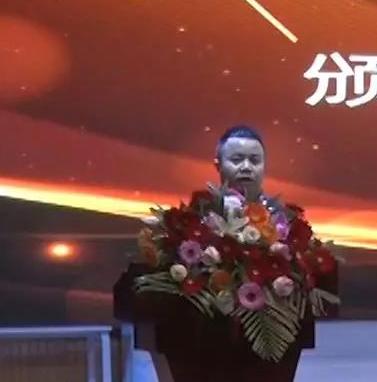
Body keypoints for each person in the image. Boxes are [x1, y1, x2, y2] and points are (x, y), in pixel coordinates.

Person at [114, 125, 337, 382]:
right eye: (237, 159)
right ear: (218, 165)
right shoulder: (191, 220)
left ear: (264, 166)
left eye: (254, 160)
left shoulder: (286, 224)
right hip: (197, 352)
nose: (246, 167)